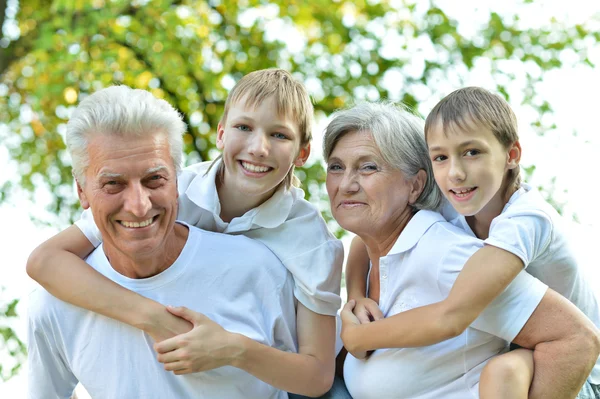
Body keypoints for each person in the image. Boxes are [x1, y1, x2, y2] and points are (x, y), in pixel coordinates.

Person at [27, 70, 346, 397]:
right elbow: (45, 261)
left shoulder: (311, 244)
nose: (259, 147)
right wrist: (156, 320)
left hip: (297, 371)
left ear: (303, 153)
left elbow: (318, 375)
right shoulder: (173, 191)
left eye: (280, 135)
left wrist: (232, 348)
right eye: (244, 127)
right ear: (221, 134)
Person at [325, 102, 600, 398]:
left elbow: (576, 338)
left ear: (415, 186)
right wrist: (355, 297)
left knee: (507, 370)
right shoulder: (442, 215)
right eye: (336, 167)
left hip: (584, 375)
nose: (346, 184)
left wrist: (357, 336)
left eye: (368, 167)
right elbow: (361, 247)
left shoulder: (471, 244)